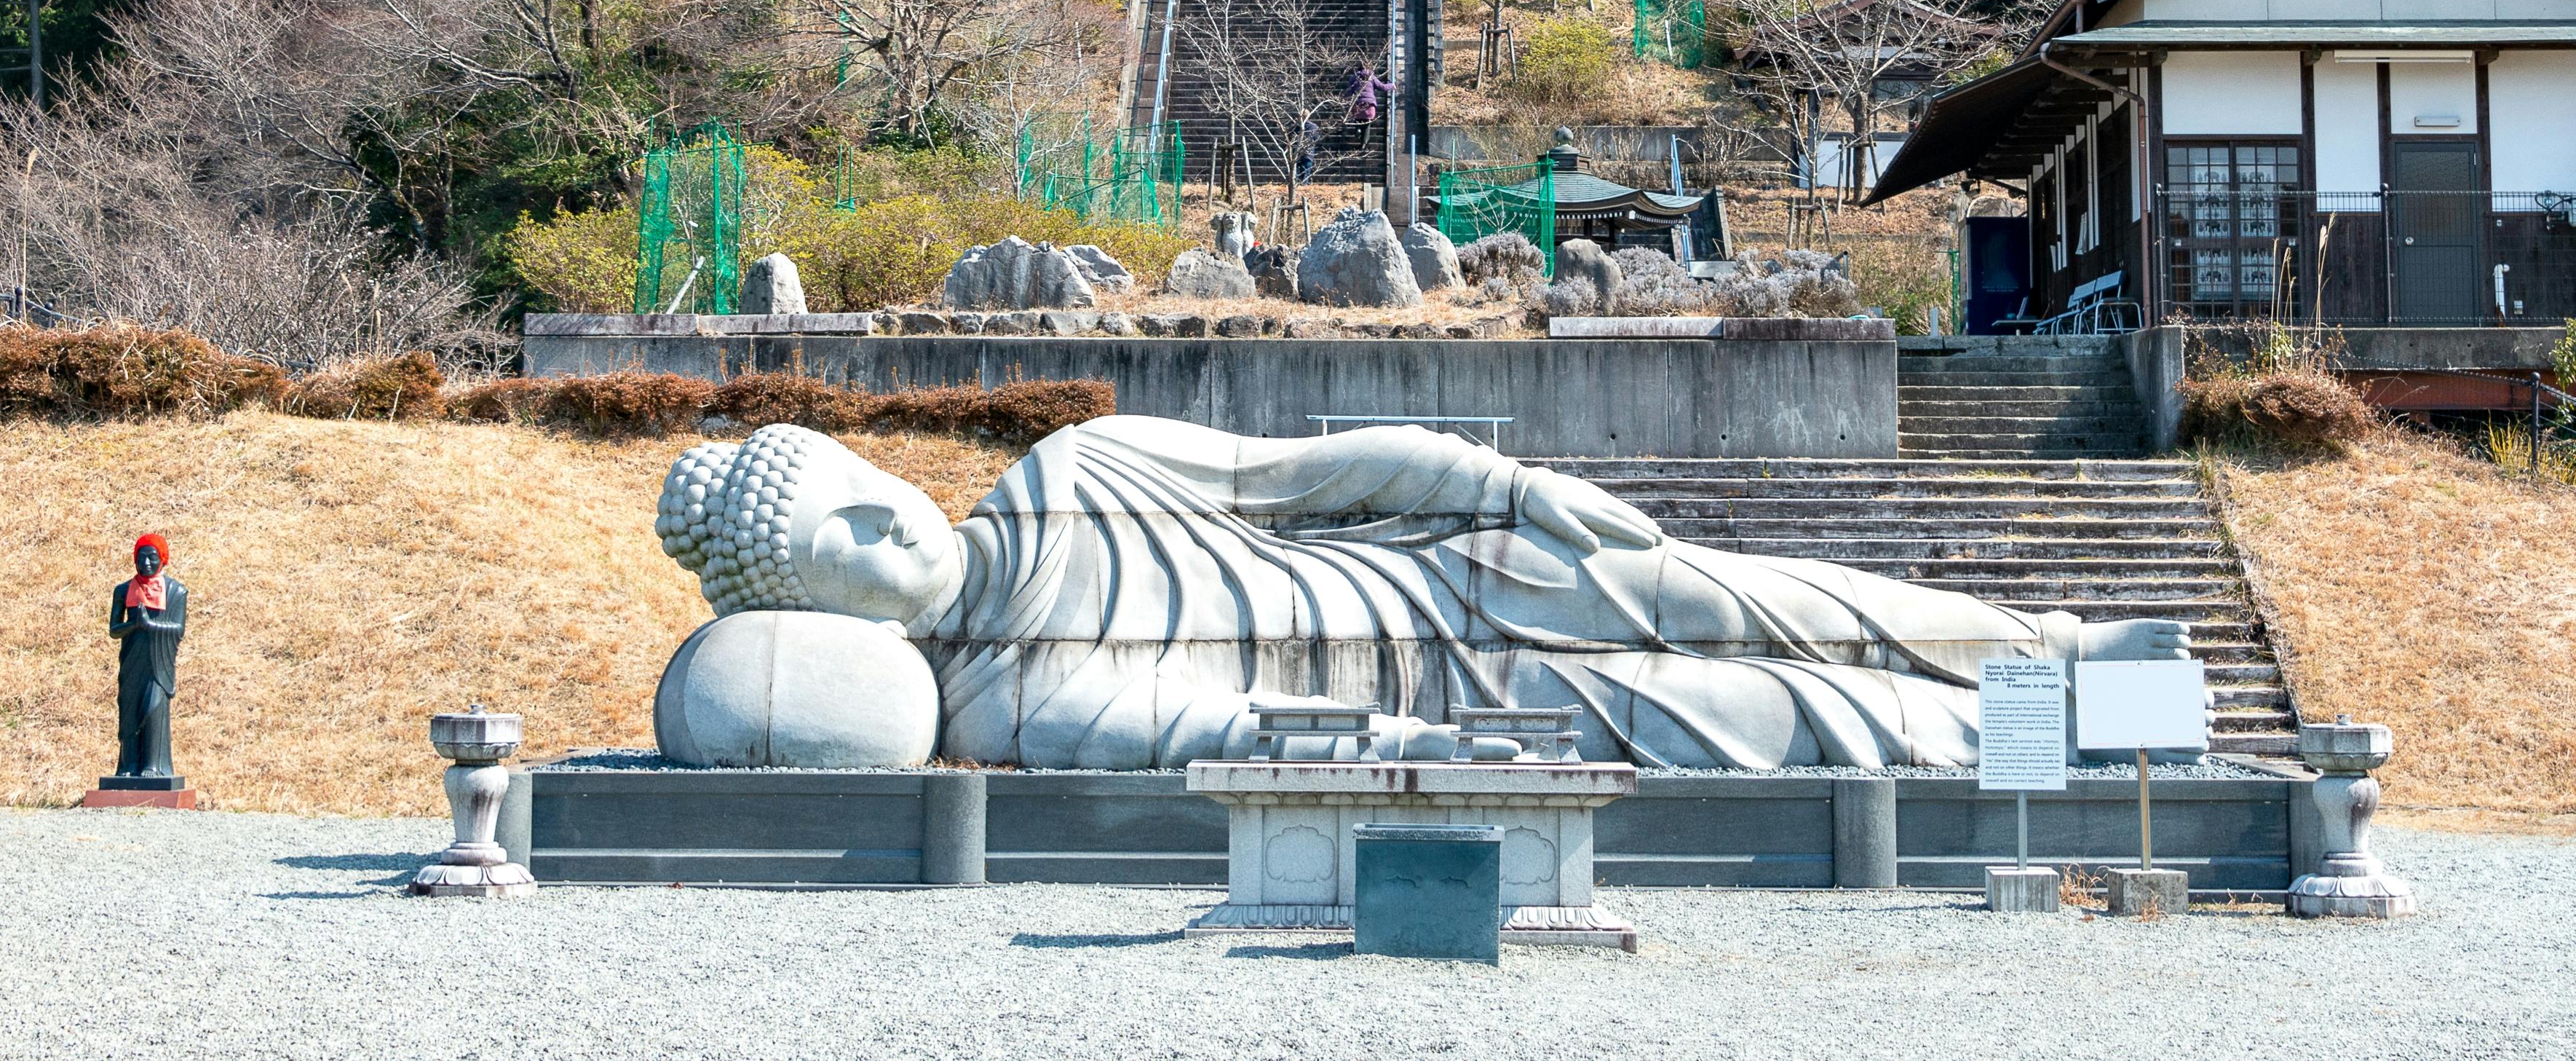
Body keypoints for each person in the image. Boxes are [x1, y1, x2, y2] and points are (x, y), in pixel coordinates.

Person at [655, 419, 2191, 774]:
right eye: (848, 543)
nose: (891, 520)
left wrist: (1503, 482)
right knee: (1797, 715)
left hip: (1450, 567)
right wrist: (1408, 745)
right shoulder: (1005, 702)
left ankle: (2073, 651)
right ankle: (2106, 736)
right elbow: (1228, 726)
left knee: (1766, 592)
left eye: (872, 487)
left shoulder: (1080, 463)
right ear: (834, 617)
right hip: (1464, 696)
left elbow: (1307, 469)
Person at [106, 532, 188, 780]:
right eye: (142, 558)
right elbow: (113, 629)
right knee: (128, 711)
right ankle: (128, 764)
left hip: (158, 662)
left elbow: (178, 629)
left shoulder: (176, 592)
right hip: (132, 662)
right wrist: (133, 625)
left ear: (163, 559)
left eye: (153, 558)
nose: (147, 563)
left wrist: (149, 625)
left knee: (154, 709)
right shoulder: (123, 590)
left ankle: (153, 765)